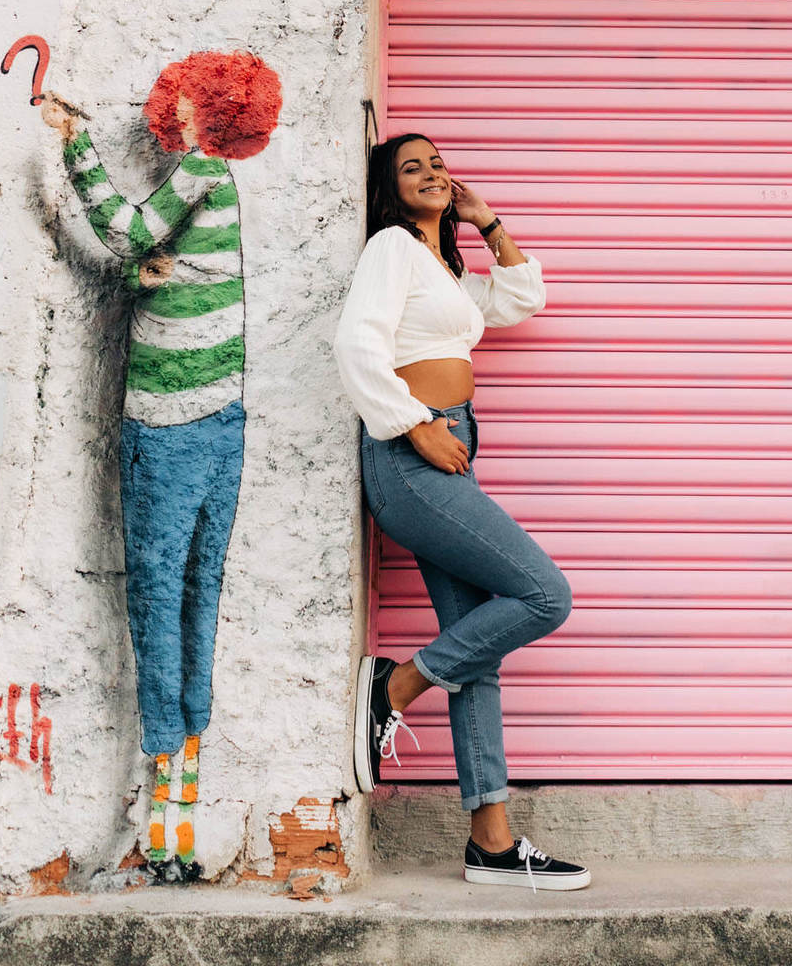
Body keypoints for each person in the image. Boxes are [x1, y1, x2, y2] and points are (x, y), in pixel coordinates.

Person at [41, 51, 282, 882]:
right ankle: (180, 822)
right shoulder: (223, 192)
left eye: (181, 100)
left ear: (200, 111)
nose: (169, 110)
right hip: (223, 422)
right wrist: (162, 275)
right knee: (196, 600)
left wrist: (75, 145)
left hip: (169, 426)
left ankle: (166, 831)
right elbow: (170, 265)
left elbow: (123, 233)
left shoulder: (199, 173)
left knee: (154, 604)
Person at [334, 133, 589, 892]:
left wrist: (488, 223)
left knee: (475, 649)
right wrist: (415, 424)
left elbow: (520, 299)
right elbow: (355, 342)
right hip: (413, 450)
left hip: (450, 442)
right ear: (390, 188)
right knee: (544, 595)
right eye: (413, 167)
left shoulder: (444, 265)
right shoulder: (390, 247)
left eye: (438, 164)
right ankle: (393, 688)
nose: (432, 173)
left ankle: (492, 842)